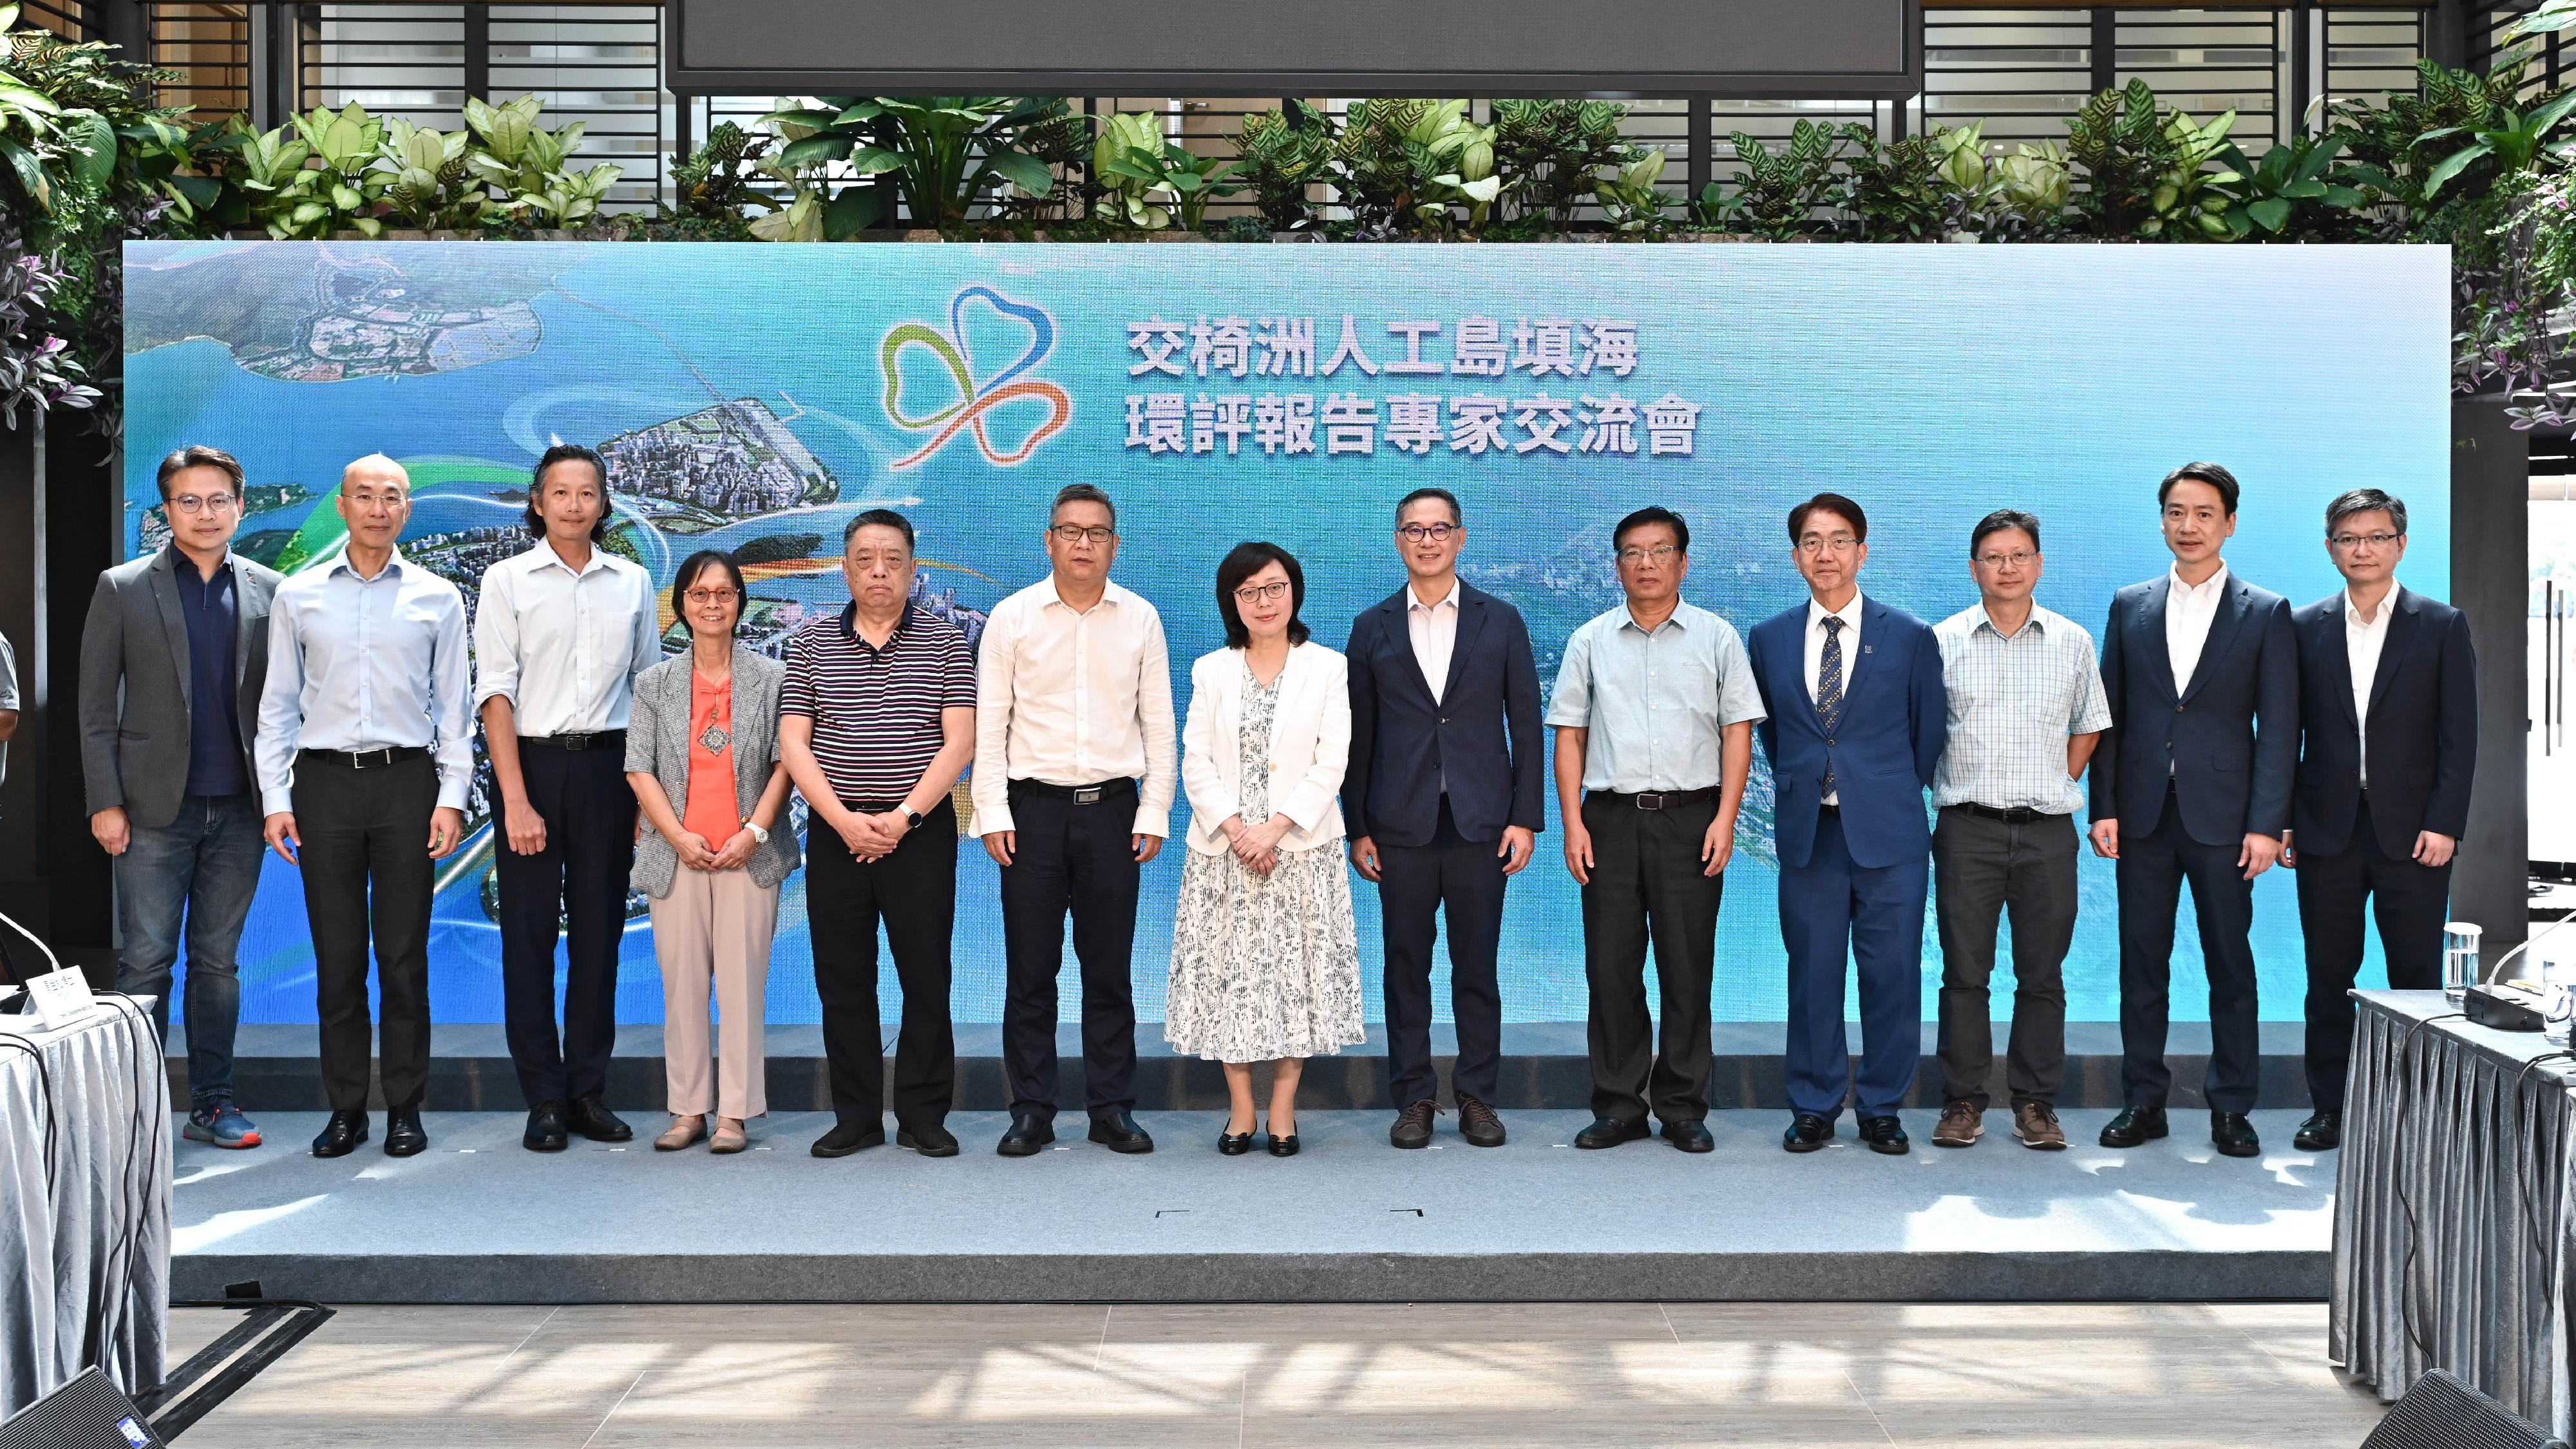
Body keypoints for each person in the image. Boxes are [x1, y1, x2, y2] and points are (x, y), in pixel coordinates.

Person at [256, 454, 470, 1159]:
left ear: (407, 510)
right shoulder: (300, 594)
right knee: (338, 957)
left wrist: (451, 798)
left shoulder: (438, 596)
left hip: (408, 784)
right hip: (324, 789)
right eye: (365, 496)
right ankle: (346, 1108)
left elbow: (455, 713)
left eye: (393, 497)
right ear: (343, 505)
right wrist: (276, 799)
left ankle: (406, 1107)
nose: (379, 508)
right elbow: (278, 707)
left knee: (405, 958)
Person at [2090, 462, 2297, 1159]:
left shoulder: (2266, 611)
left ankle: (2231, 1108)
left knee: (2229, 966)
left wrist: (2267, 824)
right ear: (2161, 521)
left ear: (2229, 523)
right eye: (2176, 512)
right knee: (2140, 964)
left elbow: (2279, 728)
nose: (2189, 526)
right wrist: (2104, 806)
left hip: (2226, 821)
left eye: (2204, 513)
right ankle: (2141, 1100)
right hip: (2142, 816)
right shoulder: (2129, 604)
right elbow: (2108, 715)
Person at [77, 448, 282, 1150]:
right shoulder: (122, 586)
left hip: (240, 812)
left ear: (239, 506)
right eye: (188, 501)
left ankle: (214, 1104)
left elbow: (282, 710)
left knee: (217, 965)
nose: (205, 513)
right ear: (167, 510)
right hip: (149, 812)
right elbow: (95, 707)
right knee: (144, 964)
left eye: (218, 499)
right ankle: (132, 1114)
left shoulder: (269, 590)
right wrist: (104, 800)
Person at [1547, 506, 1762, 1155]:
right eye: (1632, 553)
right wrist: (1571, 823)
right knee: (1611, 968)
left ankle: (1682, 1106)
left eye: (1659, 551)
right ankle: (1617, 1105)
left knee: (1686, 966)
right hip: (1607, 819)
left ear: (1682, 563)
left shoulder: (1716, 637)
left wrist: (1725, 818)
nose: (1646, 564)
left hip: (1691, 817)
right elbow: (1569, 736)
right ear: (1617, 567)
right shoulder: (1589, 640)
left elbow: (1737, 732)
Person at [974, 484, 1175, 1158]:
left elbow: (1159, 724)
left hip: (1114, 813)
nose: (1083, 543)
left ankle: (1111, 1107)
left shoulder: (1140, 618)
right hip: (1031, 814)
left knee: (1109, 971)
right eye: (1070, 531)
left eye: (1096, 533)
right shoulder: (1012, 617)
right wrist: (991, 811)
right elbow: (989, 724)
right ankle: (1031, 1109)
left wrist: (1153, 809)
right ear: (1049, 541)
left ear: (1115, 545)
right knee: (1030, 972)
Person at [473, 442, 661, 1153]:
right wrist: (515, 802)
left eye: (588, 494)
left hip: (610, 771)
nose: (574, 505)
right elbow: (495, 694)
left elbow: (649, 693)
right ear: (538, 502)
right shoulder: (506, 580)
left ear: (604, 505)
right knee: (527, 942)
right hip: (533, 768)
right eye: (560, 493)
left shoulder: (633, 582)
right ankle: (543, 1097)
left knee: (598, 939)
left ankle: (586, 1089)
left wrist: (646, 797)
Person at [1746, 493, 1946, 1156]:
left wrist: (1873, 791)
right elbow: (1777, 737)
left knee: (1891, 973)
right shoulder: (1769, 638)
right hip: (1810, 833)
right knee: (1813, 973)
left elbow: (1926, 738)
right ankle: (1813, 1104)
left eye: (1837, 541)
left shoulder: (1909, 635)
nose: (1824, 554)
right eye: (1810, 541)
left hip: (1888, 834)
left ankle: (1882, 1107)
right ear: (1795, 555)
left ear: (1862, 551)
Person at [1344, 487, 1542, 1151]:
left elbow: (1527, 725)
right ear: (1397, 541)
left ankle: (1478, 1096)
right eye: (1412, 531)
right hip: (1398, 825)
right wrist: (1357, 826)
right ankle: (1415, 1098)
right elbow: (1358, 736)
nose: (1426, 541)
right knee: (1404, 965)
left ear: (1460, 538)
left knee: (1475, 966)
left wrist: (1525, 818)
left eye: (1438, 529)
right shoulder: (1371, 627)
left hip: (1482, 823)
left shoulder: (1501, 620)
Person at [2284, 488, 2476, 1151]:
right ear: (2330, 547)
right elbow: (2286, 734)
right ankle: (2329, 1108)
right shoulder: (2303, 625)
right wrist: (2282, 820)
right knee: (2327, 978)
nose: (2361, 549)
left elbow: (2460, 736)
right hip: (2325, 831)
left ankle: (2422, 1114)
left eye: (2375, 536)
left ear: (2399, 543)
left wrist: (2445, 822)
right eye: (2347, 538)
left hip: (2415, 834)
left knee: (2417, 979)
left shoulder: (2441, 624)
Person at [782, 510, 976, 1159]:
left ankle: (923, 1114)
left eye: (892, 559)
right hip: (838, 834)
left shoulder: (947, 644)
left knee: (926, 976)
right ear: (845, 569)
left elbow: (960, 741)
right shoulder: (809, 644)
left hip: (918, 832)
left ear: (913, 568)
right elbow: (794, 744)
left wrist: (902, 819)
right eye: (865, 558)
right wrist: (841, 821)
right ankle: (857, 1116)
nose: (879, 571)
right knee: (843, 978)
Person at [1168, 542, 1364, 1157]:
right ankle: (1240, 1108)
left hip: (1300, 851)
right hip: (1224, 854)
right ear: (1233, 601)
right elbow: (1195, 758)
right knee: (1230, 979)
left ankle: (1283, 1108)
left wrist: (1275, 828)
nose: (1264, 601)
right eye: (1249, 591)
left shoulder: (1328, 666)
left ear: (1294, 591)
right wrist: (1236, 829)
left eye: (1274, 587)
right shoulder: (1211, 669)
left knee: (1295, 980)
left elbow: (1333, 758)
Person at [1927, 509, 2110, 1153]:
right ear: (1974, 568)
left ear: (2038, 563)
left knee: (2041, 976)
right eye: (1993, 557)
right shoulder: (1941, 640)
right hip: (1966, 829)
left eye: (2019, 555)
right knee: (1963, 974)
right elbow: (1923, 732)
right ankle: (1962, 1102)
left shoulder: (2071, 642)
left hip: (2047, 833)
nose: (2007, 567)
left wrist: (2058, 777)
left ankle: (2035, 1103)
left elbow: (2090, 721)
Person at [626, 550, 799, 1155]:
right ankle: (688, 1108)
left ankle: (735, 1114)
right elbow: (638, 770)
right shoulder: (654, 683)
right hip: (677, 855)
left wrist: (753, 831)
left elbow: (787, 765)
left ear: (739, 602)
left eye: (724, 594)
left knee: (743, 988)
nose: (712, 605)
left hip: (748, 853)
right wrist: (676, 836)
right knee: (682, 986)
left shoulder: (773, 678)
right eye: (699, 595)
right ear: (681, 606)